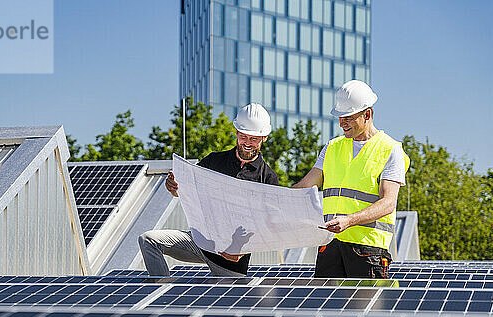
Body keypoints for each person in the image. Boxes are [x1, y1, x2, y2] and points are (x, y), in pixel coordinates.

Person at [139, 103, 279, 277]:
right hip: (200, 242)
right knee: (148, 240)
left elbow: (267, 225)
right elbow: (185, 190)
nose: (247, 143)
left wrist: (242, 250)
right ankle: (160, 293)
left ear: (264, 137)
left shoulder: (268, 178)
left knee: (227, 303)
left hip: (231, 259)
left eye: (254, 139)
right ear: (236, 132)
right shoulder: (214, 161)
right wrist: (174, 188)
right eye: (243, 137)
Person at [294, 80, 409, 278]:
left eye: (348, 117)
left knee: (364, 309)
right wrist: (271, 197)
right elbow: (305, 186)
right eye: (340, 117)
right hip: (330, 245)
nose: (342, 123)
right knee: (326, 307)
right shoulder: (332, 147)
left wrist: (349, 221)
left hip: (368, 250)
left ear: (367, 114)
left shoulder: (391, 149)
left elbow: (388, 203)